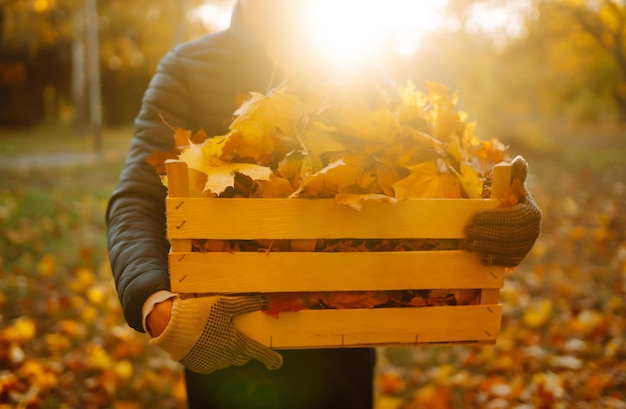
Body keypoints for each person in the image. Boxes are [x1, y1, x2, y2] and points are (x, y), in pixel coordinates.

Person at [105, 1, 542, 408]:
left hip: (343, 352)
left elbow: (436, 169)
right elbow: (137, 198)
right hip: (230, 348)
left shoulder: (352, 65)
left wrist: (504, 206)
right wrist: (157, 308)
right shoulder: (188, 68)